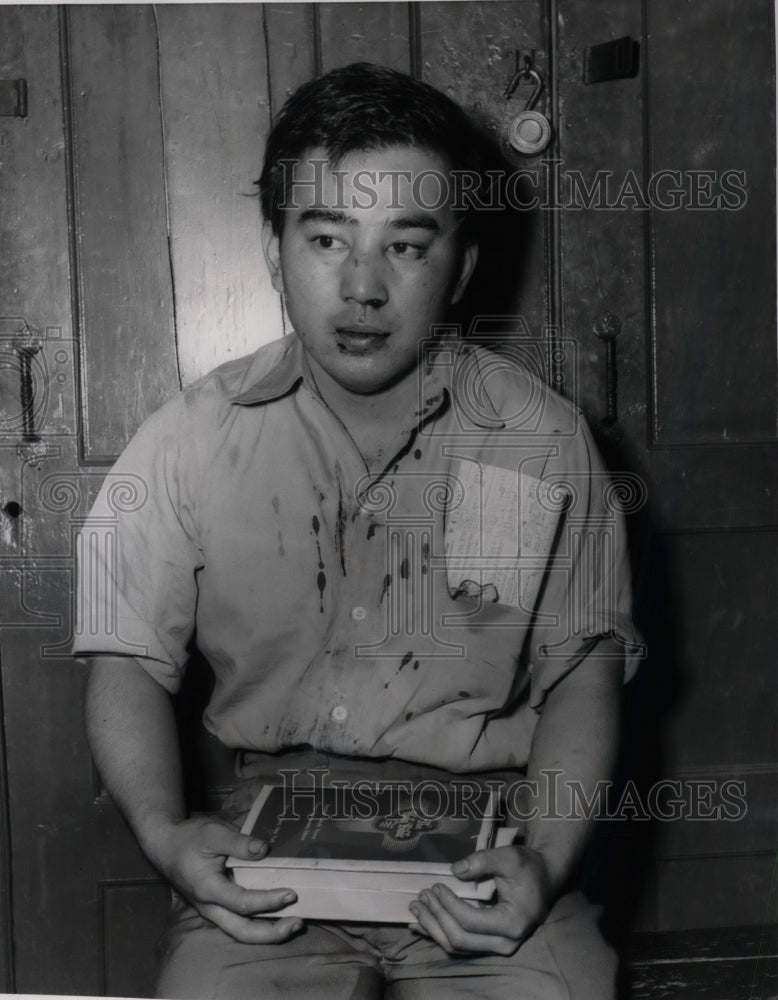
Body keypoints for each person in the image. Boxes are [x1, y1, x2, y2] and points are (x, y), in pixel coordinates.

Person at [75, 63, 642, 999]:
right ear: (273, 252)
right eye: (327, 236)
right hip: (271, 840)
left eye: (407, 247)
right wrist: (168, 836)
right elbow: (126, 660)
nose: (364, 286)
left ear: (460, 266)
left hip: (486, 839)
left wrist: (542, 858)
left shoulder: (540, 440)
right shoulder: (188, 439)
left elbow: (584, 670)